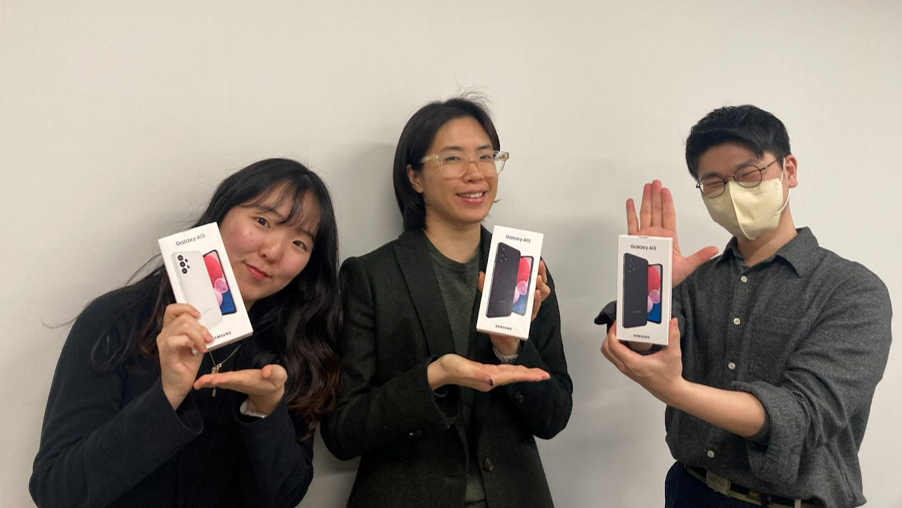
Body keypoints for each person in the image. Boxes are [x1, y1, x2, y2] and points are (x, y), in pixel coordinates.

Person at [598, 105, 892, 508]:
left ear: (788, 170)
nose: (732, 193)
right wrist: (647, 280)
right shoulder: (697, 279)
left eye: (748, 174)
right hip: (690, 489)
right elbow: (642, 346)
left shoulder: (853, 291)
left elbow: (802, 416)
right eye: (714, 183)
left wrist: (678, 392)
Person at [30, 158, 342, 508]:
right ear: (222, 214)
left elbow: (284, 498)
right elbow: (57, 493)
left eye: (299, 243)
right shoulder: (115, 321)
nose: (273, 252)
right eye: (262, 221)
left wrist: (265, 413)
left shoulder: (297, 350)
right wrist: (166, 397)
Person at [321, 97, 573, 508]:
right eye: (453, 158)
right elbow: (342, 431)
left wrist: (509, 350)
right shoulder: (370, 276)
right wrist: (432, 379)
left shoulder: (524, 268)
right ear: (415, 177)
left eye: (486, 156)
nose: (475, 172)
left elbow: (554, 416)